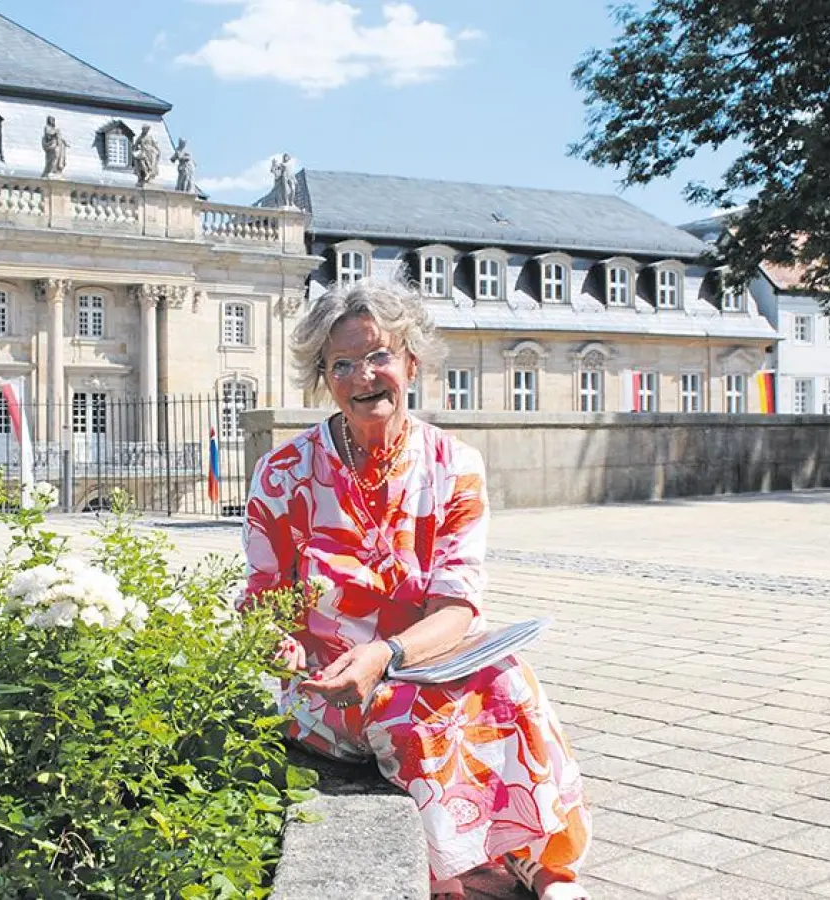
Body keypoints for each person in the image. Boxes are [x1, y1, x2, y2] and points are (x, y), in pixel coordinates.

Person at [241, 280, 591, 900]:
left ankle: (542, 864)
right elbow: (262, 598)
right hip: (328, 684)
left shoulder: (454, 465)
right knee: (411, 715)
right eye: (341, 364)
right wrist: (276, 642)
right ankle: (446, 872)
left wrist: (387, 654)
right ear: (323, 378)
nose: (362, 376)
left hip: (422, 660)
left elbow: (456, 606)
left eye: (378, 356)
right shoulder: (283, 474)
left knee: (510, 682)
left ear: (411, 362)